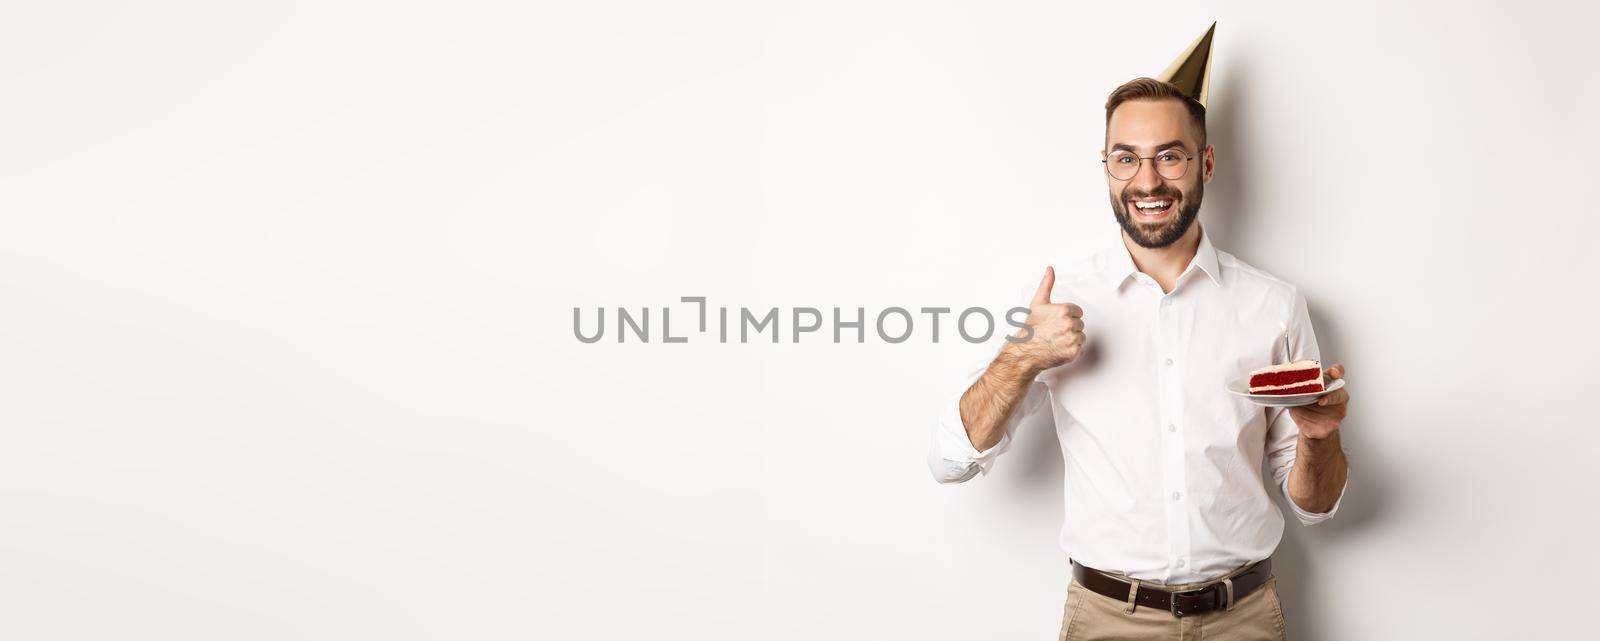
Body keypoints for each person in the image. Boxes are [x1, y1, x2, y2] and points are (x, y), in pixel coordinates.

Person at [926, 25, 1351, 641]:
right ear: (1106, 167)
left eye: (1169, 155)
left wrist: (1317, 439)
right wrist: (1020, 359)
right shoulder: (1059, 301)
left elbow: (1317, 505)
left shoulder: (1274, 305)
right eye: (1127, 157)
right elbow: (947, 462)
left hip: (1245, 620)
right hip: (1107, 621)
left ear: (1204, 161)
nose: (1147, 181)